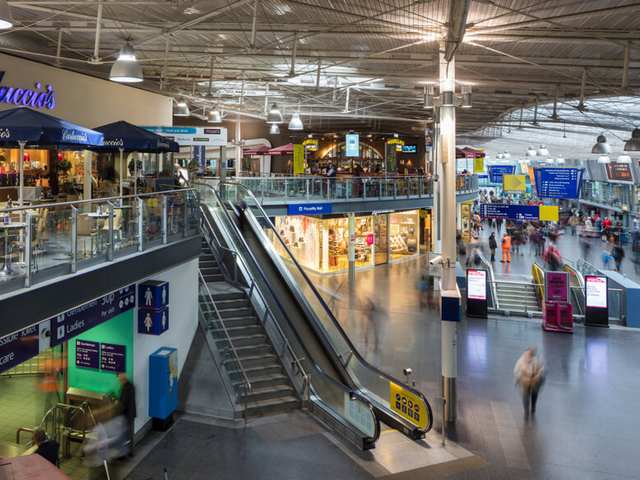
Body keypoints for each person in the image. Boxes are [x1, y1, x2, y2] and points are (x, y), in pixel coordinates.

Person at [514, 347, 545, 418]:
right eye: (527, 354)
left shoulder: (536, 360)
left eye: (530, 355)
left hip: (535, 381)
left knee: (534, 393)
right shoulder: (521, 361)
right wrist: (520, 379)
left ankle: (533, 407)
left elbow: (541, 370)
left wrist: (537, 376)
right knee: (525, 395)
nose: (528, 357)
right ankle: (526, 410)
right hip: (525, 381)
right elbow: (516, 371)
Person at [117, 373, 136, 456]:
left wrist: (117, 406)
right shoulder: (130, 386)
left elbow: (123, 403)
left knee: (123, 435)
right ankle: (130, 451)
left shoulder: (126, 388)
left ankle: (123, 453)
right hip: (131, 414)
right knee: (129, 434)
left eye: (119, 377)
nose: (119, 380)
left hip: (126, 415)